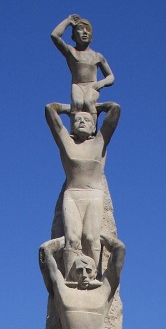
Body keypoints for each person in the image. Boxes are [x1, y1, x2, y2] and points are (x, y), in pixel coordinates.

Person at [45, 99, 120, 278]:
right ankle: (70, 279)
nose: (81, 122)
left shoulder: (99, 142)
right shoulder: (66, 142)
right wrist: (70, 109)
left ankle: (94, 277)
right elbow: (50, 110)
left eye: (86, 120)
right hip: (72, 195)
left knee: (91, 238)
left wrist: (94, 107)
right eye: (77, 120)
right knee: (71, 239)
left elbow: (115, 110)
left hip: (94, 195)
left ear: (94, 126)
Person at [50, 14, 114, 118]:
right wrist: (68, 21)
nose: (84, 32)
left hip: (92, 85)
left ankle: (92, 126)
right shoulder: (71, 51)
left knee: (89, 102)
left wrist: (101, 83)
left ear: (91, 37)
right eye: (80, 29)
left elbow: (111, 76)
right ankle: (75, 127)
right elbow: (55, 36)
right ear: (73, 37)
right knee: (77, 103)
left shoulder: (97, 56)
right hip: (77, 85)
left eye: (88, 30)